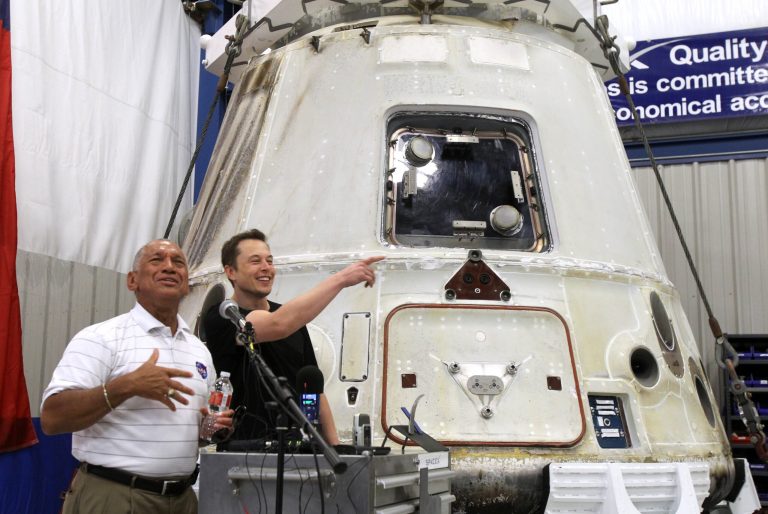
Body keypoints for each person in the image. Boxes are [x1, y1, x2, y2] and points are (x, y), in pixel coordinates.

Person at [40, 240, 232, 514]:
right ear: (132, 281)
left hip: (182, 500)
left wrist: (208, 428)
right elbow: (52, 418)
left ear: (187, 283)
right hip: (114, 497)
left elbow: (193, 433)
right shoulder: (101, 338)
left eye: (178, 262)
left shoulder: (199, 351)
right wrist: (126, 386)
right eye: (156, 260)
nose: (169, 267)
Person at [203, 229, 383, 445]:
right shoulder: (223, 316)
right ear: (231, 271)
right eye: (255, 261)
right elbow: (277, 324)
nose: (266, 268)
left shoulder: (292, 320)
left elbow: (315, 390)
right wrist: (341, 279)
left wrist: (334, 446)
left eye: (269, 261)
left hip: (299, 448)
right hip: (247, 448)